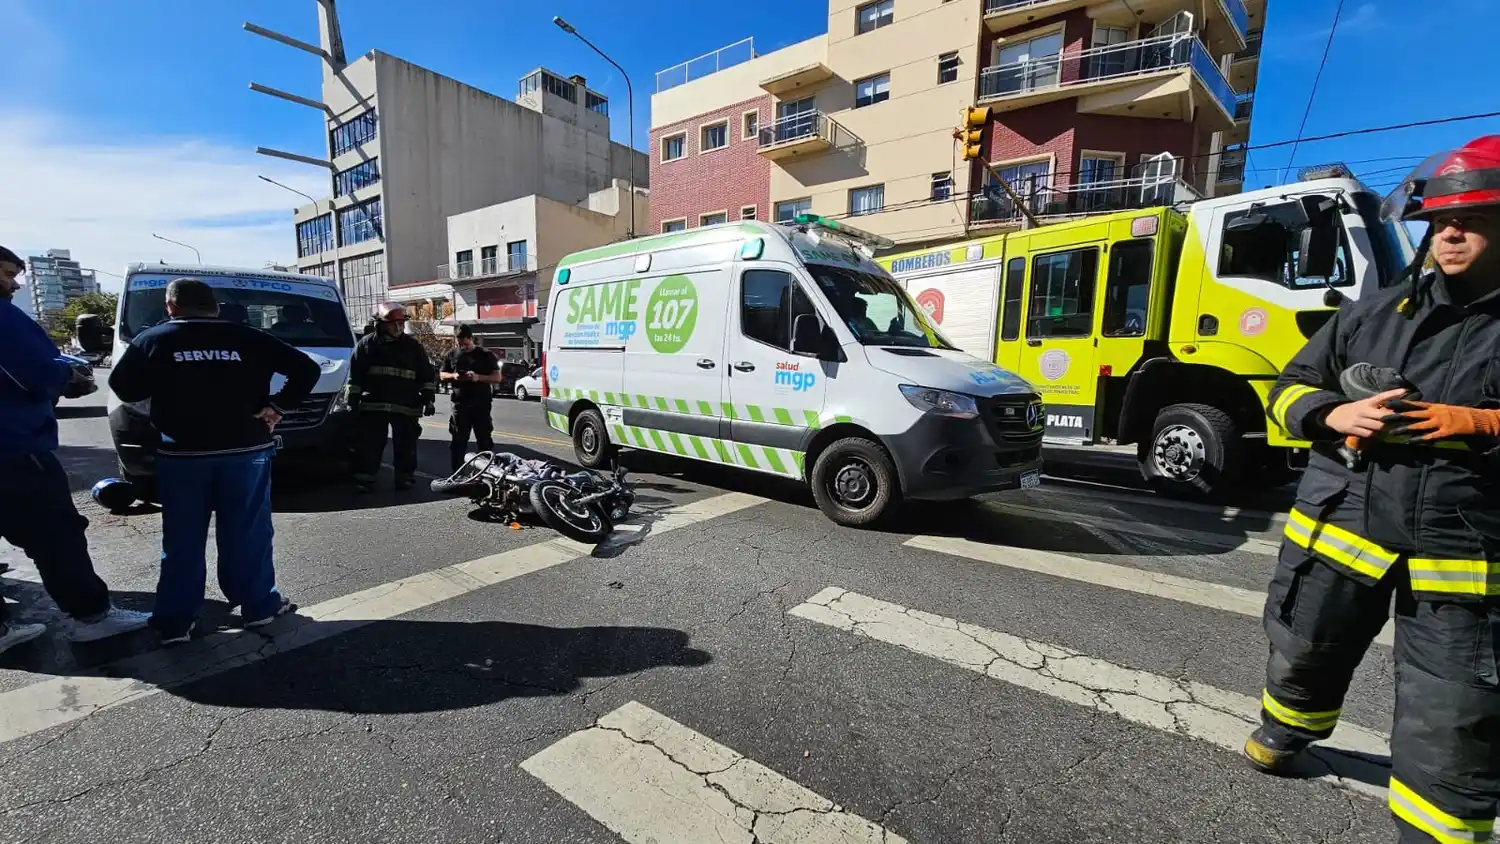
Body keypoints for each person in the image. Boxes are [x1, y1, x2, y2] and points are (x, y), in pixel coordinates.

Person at [1245, 136, 1500, 843]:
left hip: (1463, 554)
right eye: (1441, 220)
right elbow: (1288, 389)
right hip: (1344, 527)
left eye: (1474, 218)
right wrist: (1333, 413)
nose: (1450, 231)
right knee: (1304, 647)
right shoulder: (1371, 314)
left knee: (1456, 715)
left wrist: (1480, 421)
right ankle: (1283, 734)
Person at [108, 278, 321, 644]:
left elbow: (124, 387)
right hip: (245, 453)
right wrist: (276, 407)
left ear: (170, 306)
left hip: (182, 456)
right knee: (248, 531)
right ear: (216, 307)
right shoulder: (247, 338)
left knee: (182, 538)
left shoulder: (154, 339)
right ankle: (258, 607)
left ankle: (175, 621)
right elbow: (306, 370)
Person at [0, 245, 151, 655]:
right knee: (56, 534)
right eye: (9, 274)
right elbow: (34, 370)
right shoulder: (3, 316)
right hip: (14, 449)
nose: (14, 283)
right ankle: (92, 618)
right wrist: (66, 369)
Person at [347, 302, 436, 492]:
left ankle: (404, 477)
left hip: (406, 405)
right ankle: (365, 476)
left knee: (406, 444)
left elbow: (426, 375)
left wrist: (428, 397)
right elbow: (356, 376)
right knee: (370, 442)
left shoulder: (413, 347)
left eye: (401, 323)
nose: (398, 327)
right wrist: (352, 400)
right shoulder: (367, 345)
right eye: (393, 323)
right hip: (374, 406)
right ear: (381, 324)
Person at [440, 325, 499, 472]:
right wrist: (454, 376)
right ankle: (457, 474)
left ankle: (487, 474)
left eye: (465, 344)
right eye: (459, 344)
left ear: (471, 338)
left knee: (484, 441)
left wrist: (479, 377)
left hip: (481, 404)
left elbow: (497, 377)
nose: (462, 347)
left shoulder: (485, 355)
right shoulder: (451, 354)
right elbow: (441, 375)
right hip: (460, 405)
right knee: (458, 442)